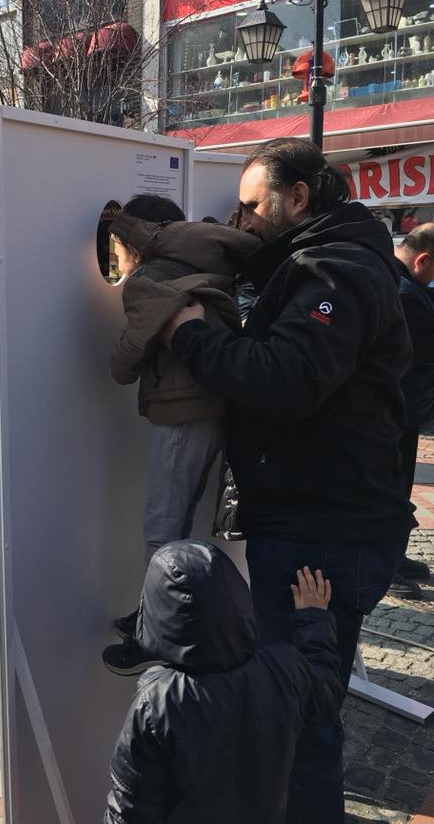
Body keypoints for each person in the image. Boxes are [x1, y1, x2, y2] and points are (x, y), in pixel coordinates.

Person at [162, 138, 414, 824]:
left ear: (298, 198)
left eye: (252, 206)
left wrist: (191, 335)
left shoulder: (332, 270)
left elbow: (285, 380)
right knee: (301, 709)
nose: (241, 222)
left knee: (300, 721)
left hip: (321, 538)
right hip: (321, 523)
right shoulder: (329, 261)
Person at [102, 196, 259, 675]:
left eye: (116, 249)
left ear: (133, 241)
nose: (116, 260)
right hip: (213, 407)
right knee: (179, 521)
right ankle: (159, 618)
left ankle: (155, 636)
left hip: (181, 414)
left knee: (162, 529)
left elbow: (124, 364)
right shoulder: (206, 258)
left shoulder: (149, 279)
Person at [104, 542, 342, 824]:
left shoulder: (157, 702)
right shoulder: (283, 668)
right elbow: (326, 690)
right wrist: (314, 618)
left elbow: (129, 811)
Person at [389, 224, 434, 597]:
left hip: (400, 410)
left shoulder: (396, 282)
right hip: (393, 412)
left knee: (398, 487)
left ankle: (393, 556)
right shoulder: (406, 295)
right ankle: (384, 565)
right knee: (389, 489)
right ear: (422, 260)